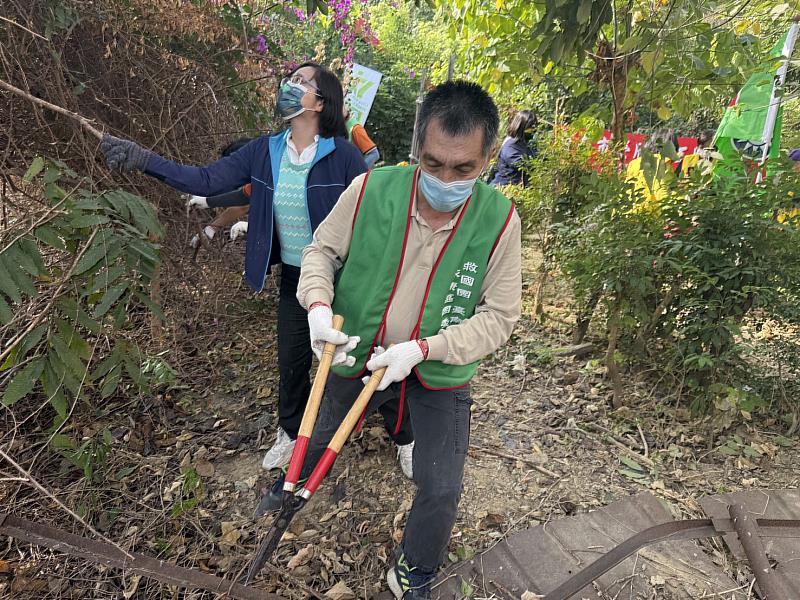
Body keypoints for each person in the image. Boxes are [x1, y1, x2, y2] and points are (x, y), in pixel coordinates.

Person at [259, 80, 522, 599]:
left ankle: (415, 569)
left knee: (442, 485)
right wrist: (317, 307)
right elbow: (320, 252)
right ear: (417, 147)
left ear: (487, 158)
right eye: (433, 164)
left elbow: (499, 317)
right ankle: (287, 496)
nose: (445, 180)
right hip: (355, 349)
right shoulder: (371, 190)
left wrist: (423, 349)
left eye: (463, 169)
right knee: (318, 433)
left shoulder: (499, 221)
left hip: (436, 369)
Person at [99, 63, 414, 479]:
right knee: (292, 360)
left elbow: (371, 217)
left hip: (347, 279)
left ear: (321, 102)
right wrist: (144, 159)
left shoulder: (344, 157)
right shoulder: (264, 152)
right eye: (290, 79)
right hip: (296, 281)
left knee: (366, 360)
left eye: (301, 82)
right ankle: (291, 433)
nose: (289, 86)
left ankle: (405, 436)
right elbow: (205, 180)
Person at [187, 138, 253, 249]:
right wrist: (210, 229)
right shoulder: (258, 176)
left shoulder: (274, 172)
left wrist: (250, 227)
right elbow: (243, 203)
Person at [490, 109, 538, 186]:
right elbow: (524, 166)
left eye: (535, 126)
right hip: (503, 187)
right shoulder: (511, 146)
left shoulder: (529, 143)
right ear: (521, 126)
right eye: (531, 126)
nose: (534, 129)